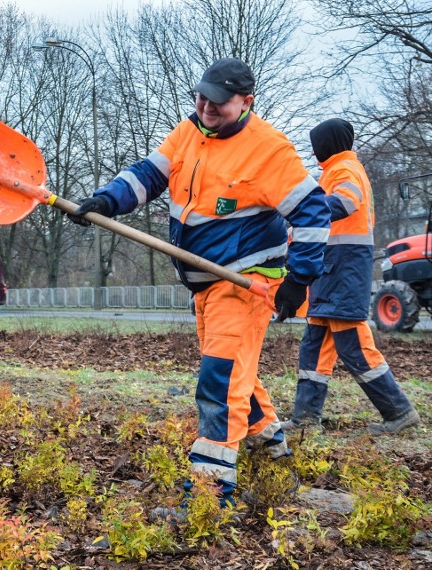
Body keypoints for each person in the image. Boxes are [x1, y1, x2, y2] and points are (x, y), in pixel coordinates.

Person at [67, 58, 331, 509]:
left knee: (219, 380)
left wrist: (299, 279)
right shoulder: (189, 131)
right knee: (234, 372)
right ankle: (274, 453)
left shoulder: (268, 150)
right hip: (207, 287)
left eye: (219, 101)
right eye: (201, 96)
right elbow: (149, 175)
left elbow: (313, 211)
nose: (206, 107)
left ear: (247, 102)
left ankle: (210, 495)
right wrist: (107, 200)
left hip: (245, 283)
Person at [281, 119, 420, 434]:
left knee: (353, 345)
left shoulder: (346, 170)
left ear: (327, 144)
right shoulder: (332, 171)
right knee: (314, 346)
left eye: (317, 143)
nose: (315, 149)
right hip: (330, 272)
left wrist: (305, 210)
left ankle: (399, 413)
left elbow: (344, 201)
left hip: (344, 271)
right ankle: (305, 417)